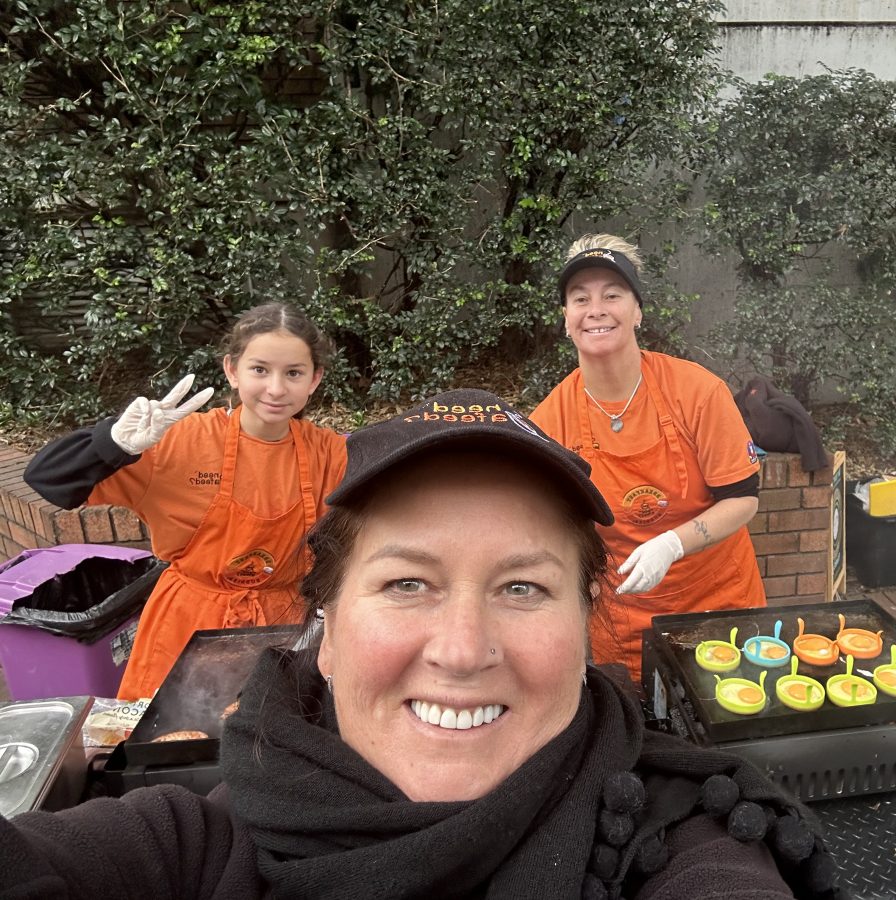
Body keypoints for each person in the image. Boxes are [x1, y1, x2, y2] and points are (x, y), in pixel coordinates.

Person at [1, 389, 846, 900]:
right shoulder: (189, 850)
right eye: (408, 583)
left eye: (523, 587)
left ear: (587, 622)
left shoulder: (677, 836)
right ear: (322, 630)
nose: (462, 648)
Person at [24, 302, 348, 700]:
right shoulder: (177, 442)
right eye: (259, 369)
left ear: (315, 379)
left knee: (271, 742)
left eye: (294, 373)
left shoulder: (330, 453)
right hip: (185, 624)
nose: (276, 389)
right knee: (167, 747)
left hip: (285, 626)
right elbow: (47, 481)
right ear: (232, 370)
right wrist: (112, 443)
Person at [532, 234, 768, 680]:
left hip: (720, 603)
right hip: (624, 621)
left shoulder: (698, 391)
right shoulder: (550, 421)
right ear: (566, 319)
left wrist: (672, 544)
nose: (596, 309)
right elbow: (552, 530)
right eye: (579, 298)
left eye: (612, 295)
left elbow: (743, 499)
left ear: (637, 311)